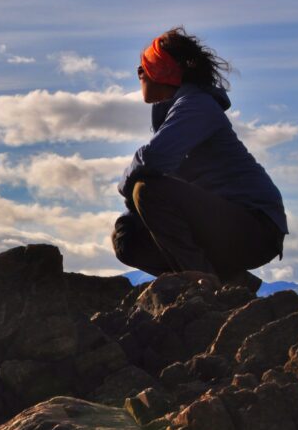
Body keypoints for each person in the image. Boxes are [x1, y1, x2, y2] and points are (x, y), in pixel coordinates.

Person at [111, 27, 287, 291]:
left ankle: (207, 285)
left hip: (257, 226)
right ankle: (228, 279)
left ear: (161, 73)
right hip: (223, 225)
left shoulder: (197, 105)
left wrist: (125, 187)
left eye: (143, 68)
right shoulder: (176, 111)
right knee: (127, 237)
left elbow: (153, 158)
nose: (139, 75)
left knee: (146, 190)